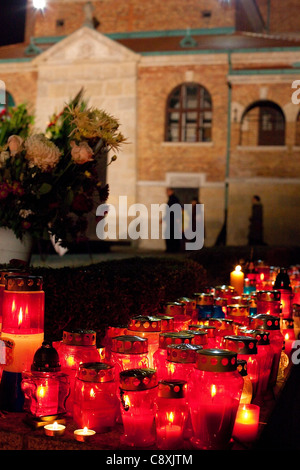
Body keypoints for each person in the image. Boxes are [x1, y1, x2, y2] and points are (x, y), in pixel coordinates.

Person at [164, 187, 182, 253]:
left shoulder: (173, 199)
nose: (166, 193)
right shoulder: (172, 199)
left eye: (167, 191)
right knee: (172, 235)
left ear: (171, 191)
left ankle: (172, 249)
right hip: (171, 220)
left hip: (172, 221)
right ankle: (173, 249)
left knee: (171, 235)